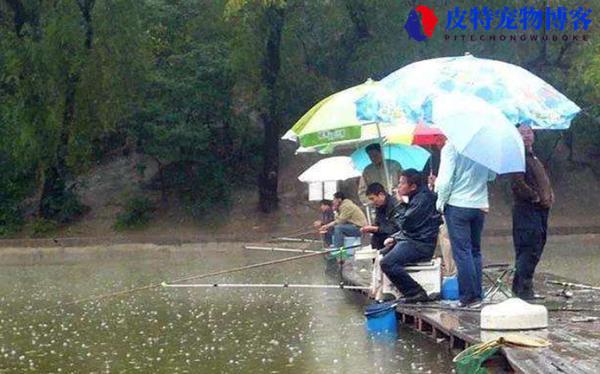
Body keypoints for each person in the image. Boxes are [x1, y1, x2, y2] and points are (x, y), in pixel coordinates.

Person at [435, 141, 495, 307]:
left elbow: (445, 182)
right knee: (475, 251)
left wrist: (440, 202)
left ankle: (468, 297)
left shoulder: (451, 146)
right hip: (480, 205)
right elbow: (491, 176)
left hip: (457, 205)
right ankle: (477, 294)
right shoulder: (484, 147)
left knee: (462, 252)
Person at [380, 169, 442, 303]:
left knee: (387, 263)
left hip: (420, 244)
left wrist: (400, 202)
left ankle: (415, 292)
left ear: (413, 186)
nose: (398, 186)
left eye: (402, 183)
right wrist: (396, 238)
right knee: (383, 252)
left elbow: (404, 222)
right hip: (413, 240)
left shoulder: (422, 199)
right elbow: (411, 227)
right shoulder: (419, 197)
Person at [511, 124, 554, 300]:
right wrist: (535, 196)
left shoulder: (533, 156)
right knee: (529, 247)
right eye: (522, 133)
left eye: (529, 132)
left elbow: (541, 179)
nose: (527, 136)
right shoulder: (517, 156)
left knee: (536, 245)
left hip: (541, 210)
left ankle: (518, 286)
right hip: (526, 210)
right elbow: (517, 183)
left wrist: (549, 194)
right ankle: (524, 290)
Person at [360, 183, 404, 250]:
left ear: (381, 195)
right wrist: (370, 228)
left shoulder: (395, 205)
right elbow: (378, 223)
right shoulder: (379, 206)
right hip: (383, 237)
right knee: (375, 238)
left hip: (396, 238)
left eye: (372, 199)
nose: (372, 202)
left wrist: (376, 229)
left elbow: (395, 228)